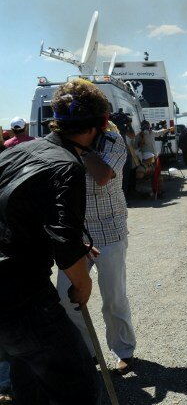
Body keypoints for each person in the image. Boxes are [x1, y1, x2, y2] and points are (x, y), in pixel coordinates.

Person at [0, 79, 104, 403]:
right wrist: (82, 282)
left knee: (30, 380)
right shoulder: (68, 167)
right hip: (22, 300)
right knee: (81, 386)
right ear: (95, 128)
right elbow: (64, 241)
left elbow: (22, 213)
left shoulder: (17, 153)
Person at [55, 118, 137, 375]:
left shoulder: (112, 142)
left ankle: (124, 351)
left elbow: (102, 177)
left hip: (109, 231)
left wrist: (83, 149)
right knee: (66, 297)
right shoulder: (61, 146)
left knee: (113, 298)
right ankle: (88, 352)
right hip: (76, 235)